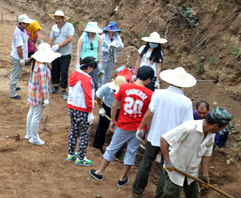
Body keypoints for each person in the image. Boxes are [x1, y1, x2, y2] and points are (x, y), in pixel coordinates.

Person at [131, 67, 195, 198]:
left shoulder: (158, 93)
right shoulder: (186, 102)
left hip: (155, 136)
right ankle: (159, 196)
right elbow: (188, 125)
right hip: (172, 141)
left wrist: (140, 128)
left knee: (146, 163)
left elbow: (149, 113)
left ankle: (137, 190)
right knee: (165, 169)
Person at [89, 66, 155, 187]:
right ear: (148, 79)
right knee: (131, 152)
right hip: (139, 128)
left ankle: (99, 172)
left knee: (112, 148)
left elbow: (114, 106)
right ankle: (122, 178)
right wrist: (147, 131)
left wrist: (113, 120)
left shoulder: (124, 87)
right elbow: (149, 115)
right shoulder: (150, 94)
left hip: (123, 125)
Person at [161, 107, 232, 198]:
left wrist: (205, 174)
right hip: (175, 169)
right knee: (171, 195)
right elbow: (164, 139)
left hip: (192, 173)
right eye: (223, 127)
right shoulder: (189, 127)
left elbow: (206, 154)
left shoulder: (211, 134)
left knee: (194, 195)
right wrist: (167, 161)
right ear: (215, 126)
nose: (221, 130)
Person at [25, 43, 60, 146]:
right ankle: (34, 137)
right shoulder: (43, 67)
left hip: (32, 92)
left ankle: (29, 134)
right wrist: (46, 98)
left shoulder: (36, 63)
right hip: (38, 95)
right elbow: (43, 85)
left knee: (31, 112)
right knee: (36, 116)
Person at [67, 56, 97, 166]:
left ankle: (71, 153)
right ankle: (81, 158)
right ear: (89, 67)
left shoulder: (74, 74)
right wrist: (90, 112)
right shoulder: (86, 79)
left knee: (73, 131)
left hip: (72, 107)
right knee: (84, 134)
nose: (92, 70)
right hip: (83, 110)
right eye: (92, 68)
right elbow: (89, 97)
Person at [92, 74, 129, 155]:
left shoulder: (127, 91)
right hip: (106, 108)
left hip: (120, 111)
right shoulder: (106, 87)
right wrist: (101, 108)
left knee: (119, 131)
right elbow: (97, 96)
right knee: (102, 128)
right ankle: (97, 147)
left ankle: (117, 153)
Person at [48, 10, 75, 99]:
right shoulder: (54, 27)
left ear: (63, 19)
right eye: (56, 19)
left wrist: (58, 45)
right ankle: (56, 85)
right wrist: (50, 48)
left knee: (64, 71)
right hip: (55, 53)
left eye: (59, 19)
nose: (57, 21)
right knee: (55, 69)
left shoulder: (69, 26)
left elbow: (70, 38)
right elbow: (51, 38)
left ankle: (63, 89)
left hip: (65, 53)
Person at [8, 14, 34, 99]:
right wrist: (22, 59)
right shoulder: (18, 33)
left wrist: (27, 38)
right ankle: (12, 93)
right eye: (26, 23)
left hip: (19, 56)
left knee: (17, 74)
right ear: (21, 23)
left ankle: (14, 86)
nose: (28, 25)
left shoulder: (23, 30)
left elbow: (25, 38)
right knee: (15, 74)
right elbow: (19, 48)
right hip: (17, 57)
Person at [76, 22, 103, 91]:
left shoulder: (98, 38)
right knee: (83, 78)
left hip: (94, 61)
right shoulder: (82, 39)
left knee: (94, 80)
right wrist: (77, 63)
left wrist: (100, 62)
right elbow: (78, 51)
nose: (93, 33)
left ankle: (94, 97)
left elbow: (100, 51)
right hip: (85, 60)